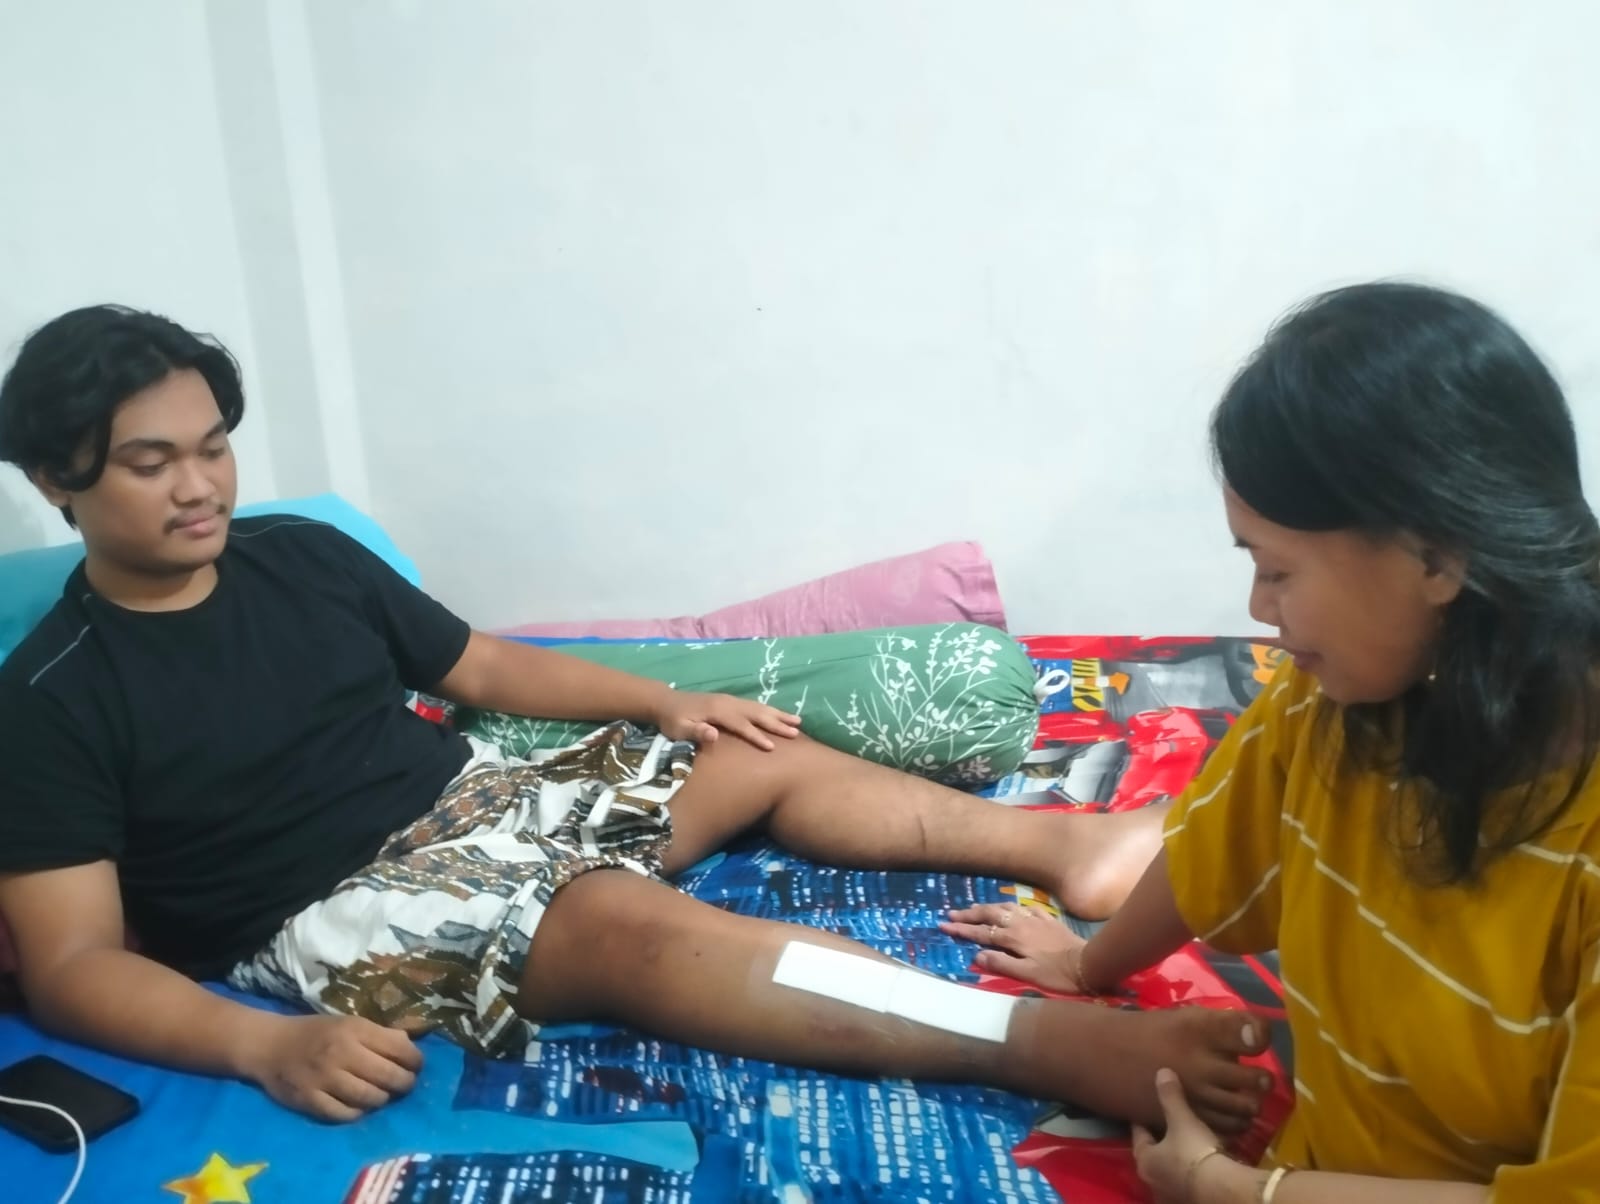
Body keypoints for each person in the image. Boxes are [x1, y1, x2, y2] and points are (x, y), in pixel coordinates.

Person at [0, 305, 1269, 1132]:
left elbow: (481, 662)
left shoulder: (300, 556)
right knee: (624, 929)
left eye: (212, 447)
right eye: (151, 462)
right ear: (58, 477)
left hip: (476, 797)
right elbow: (71, 966)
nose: (200, 486)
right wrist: (258, 1048)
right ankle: (1037, 1041)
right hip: (341, 909)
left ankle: (1065, 848)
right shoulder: (49, 696)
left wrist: (670, 701)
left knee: (750, 747)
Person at [945, 281, 1600, 1201]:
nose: (1258, 610)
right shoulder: (1334, 704)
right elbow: (1216, 851)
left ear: (1439, 557)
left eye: (1278, 570)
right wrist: (1087, 963)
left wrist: (1230, 1188)